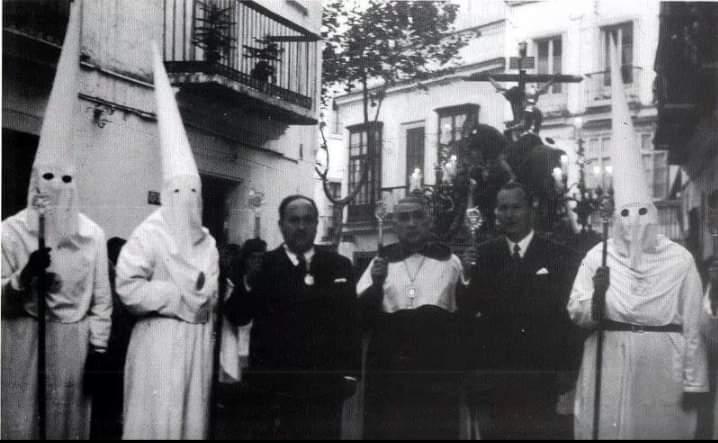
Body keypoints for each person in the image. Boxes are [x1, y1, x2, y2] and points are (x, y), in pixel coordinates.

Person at [567, 37, 708, 440]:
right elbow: (575, 313)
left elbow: (694, 323)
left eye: (641, 212)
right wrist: (596, 297)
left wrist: (695, 383)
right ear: (614, 216)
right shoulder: (599, 255)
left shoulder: (679, 260)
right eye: (624, 213)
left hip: (662, 368)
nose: (634, 222)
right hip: (607, 359)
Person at [1, 3, 112, 438]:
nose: (57, 186)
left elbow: (101, 299)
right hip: (21, 341)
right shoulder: (10, 231)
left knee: (65, 425)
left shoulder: (92, 235)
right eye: (47, 177)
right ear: (33, 181)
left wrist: (99, 347)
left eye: (66, 179)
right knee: (22, 422)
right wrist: (22, 280)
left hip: (73, 345)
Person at [115, 43, 219, 439]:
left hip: (194, 346)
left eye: (193, 193)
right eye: (177, 192)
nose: (185, 202)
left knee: (189, 421)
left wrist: (188, 295)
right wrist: (176, 297)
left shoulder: (206, 242)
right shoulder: (148, 234)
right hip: (155, 344)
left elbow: (207, 293)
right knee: (153, 419)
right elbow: (128, 286)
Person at [225, 195, 361, 439]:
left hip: (324, 386)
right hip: (274, 388)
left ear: (317, 224)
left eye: (308, 220)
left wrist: (350, 373)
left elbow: (350, 323)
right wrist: (248, 282)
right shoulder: (263, 266)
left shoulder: (338, 265)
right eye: (294, 220)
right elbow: (237, 316)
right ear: (281, 225)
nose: (301, 227)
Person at [459, 182, 582, 440]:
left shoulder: (559, 255)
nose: (510, 215)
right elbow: (468, 315)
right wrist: (467, 277)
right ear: (495, 213)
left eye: (516, 207)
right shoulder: (483, 256)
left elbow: (568, 319)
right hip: (496, 378)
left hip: (542, 376)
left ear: (530, 209)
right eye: (503, 208)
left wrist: (568, 370)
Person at [357, 194, 469, 439]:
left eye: (418, 216)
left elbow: (463, 319)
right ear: (394, 225)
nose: (411, 223)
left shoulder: (450, 262)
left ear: (429, 222)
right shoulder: (379, 262)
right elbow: (360, 318)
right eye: (404, 218)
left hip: (435, 377)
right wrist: (376, 284)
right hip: (391, 377)